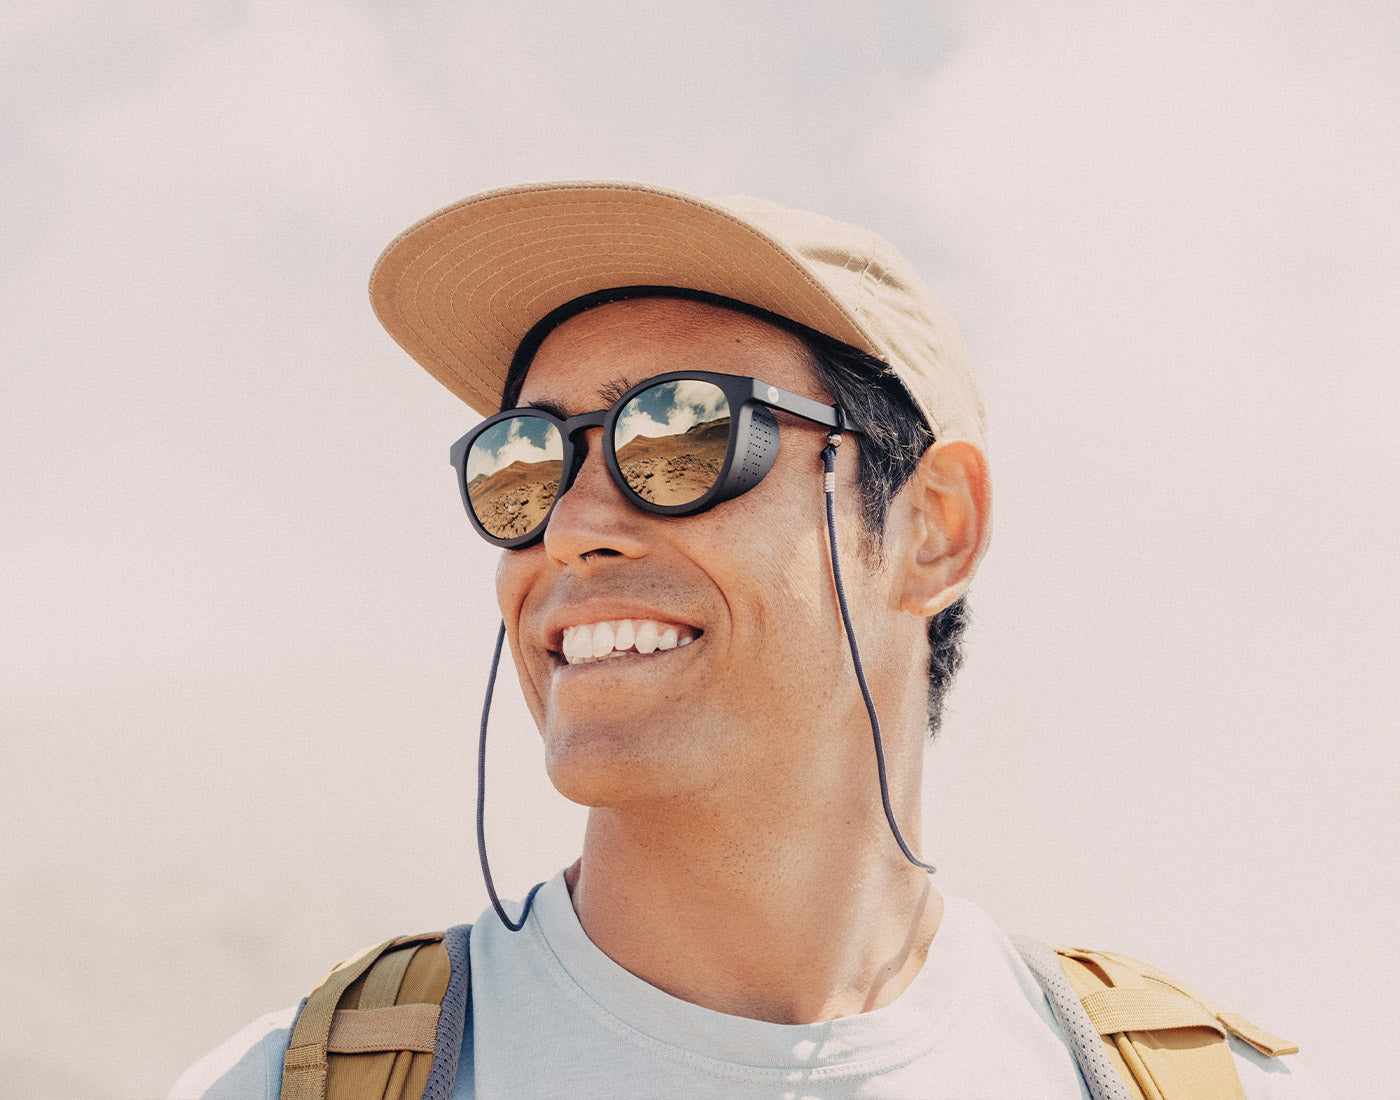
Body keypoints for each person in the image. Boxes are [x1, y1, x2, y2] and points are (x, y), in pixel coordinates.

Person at [171, 181, 1324, 1099]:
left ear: (932, 527)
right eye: (522, 461)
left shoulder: (1210, 1085)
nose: (569, 528)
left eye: (677, 434)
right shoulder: (278, 1085)